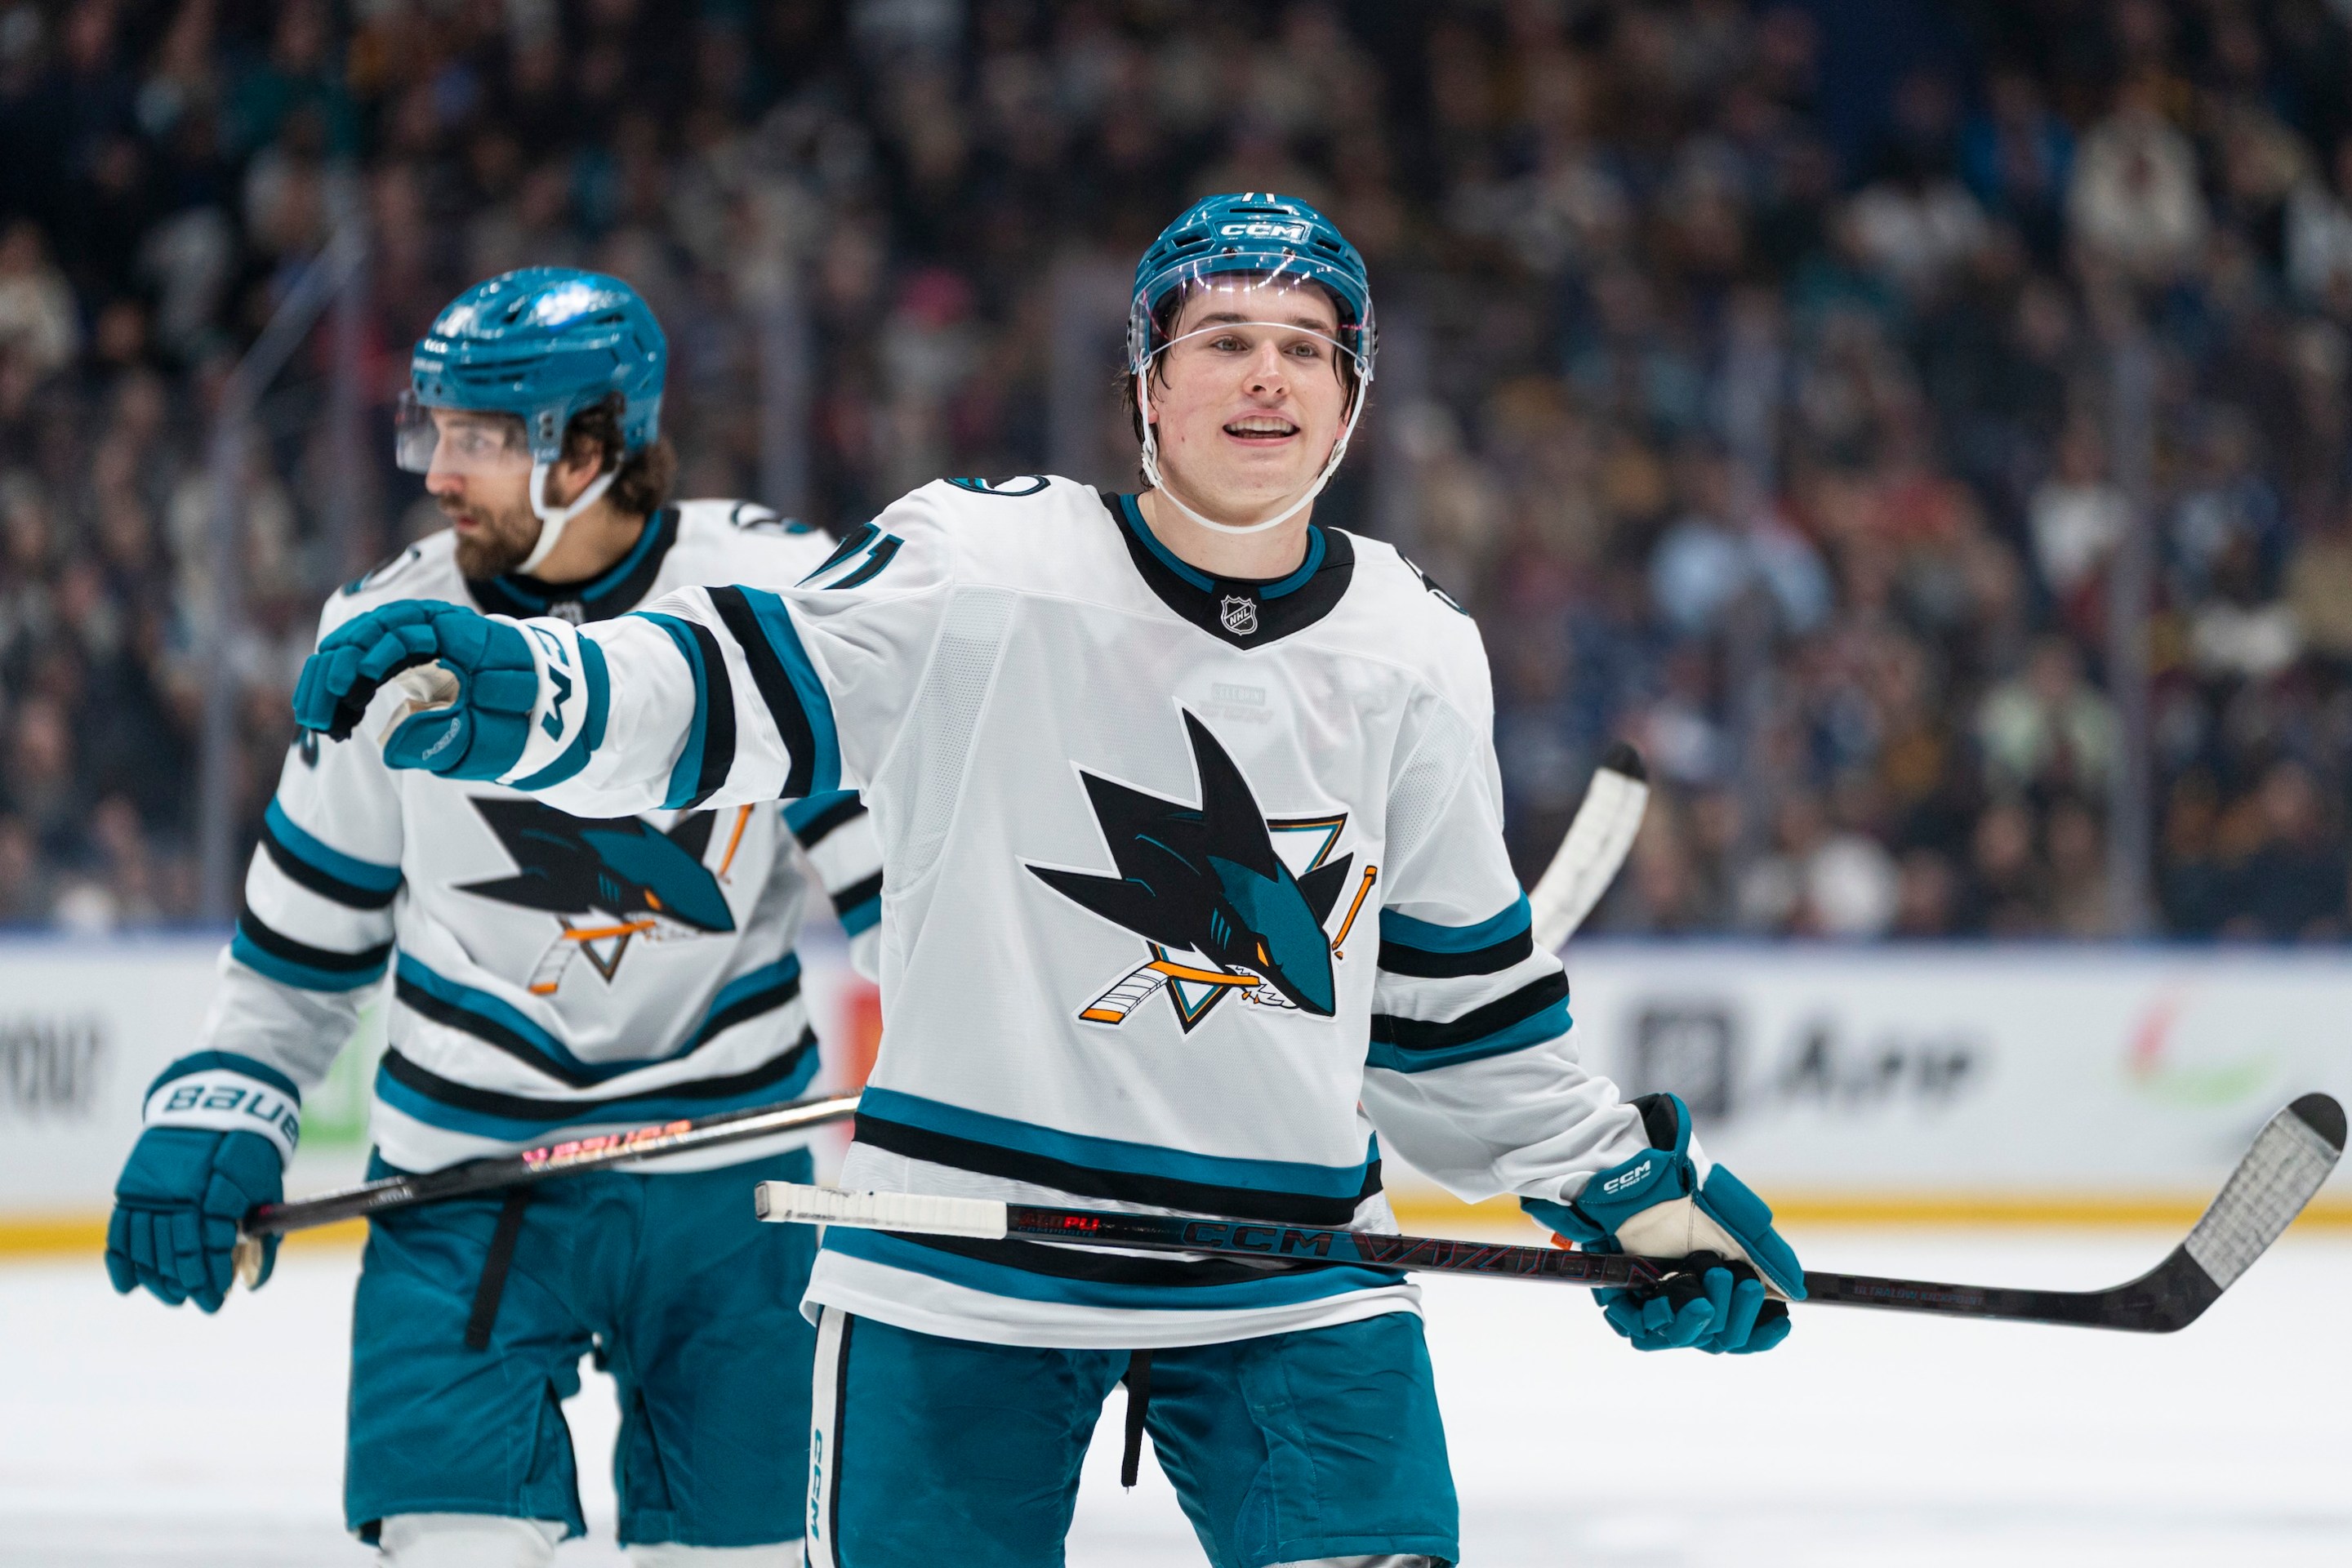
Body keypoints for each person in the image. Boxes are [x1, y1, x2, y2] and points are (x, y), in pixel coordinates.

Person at [292, 199, 1801, 1568]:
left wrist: (1619, 1184)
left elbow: (1453, 1024)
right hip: (963, 1269)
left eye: (1306, 348)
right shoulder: (979, 567)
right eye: (1224, 341)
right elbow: (728, 687)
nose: (1268, 376)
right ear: (1147, 385)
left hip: (1284, 1274)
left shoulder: (1416, 649)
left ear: (1350, 398)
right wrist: (523, 686)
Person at [106, 269, 883, 1568]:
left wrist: (981, 1081)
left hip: (730, 1191)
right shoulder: (383, 634)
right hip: (463, 1182)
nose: (437, 470)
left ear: (590, 448)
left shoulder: (779, 595)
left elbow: (902, 893)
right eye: (433, 429)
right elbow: (305, 939)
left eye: (476, 436)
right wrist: (229, 1098)